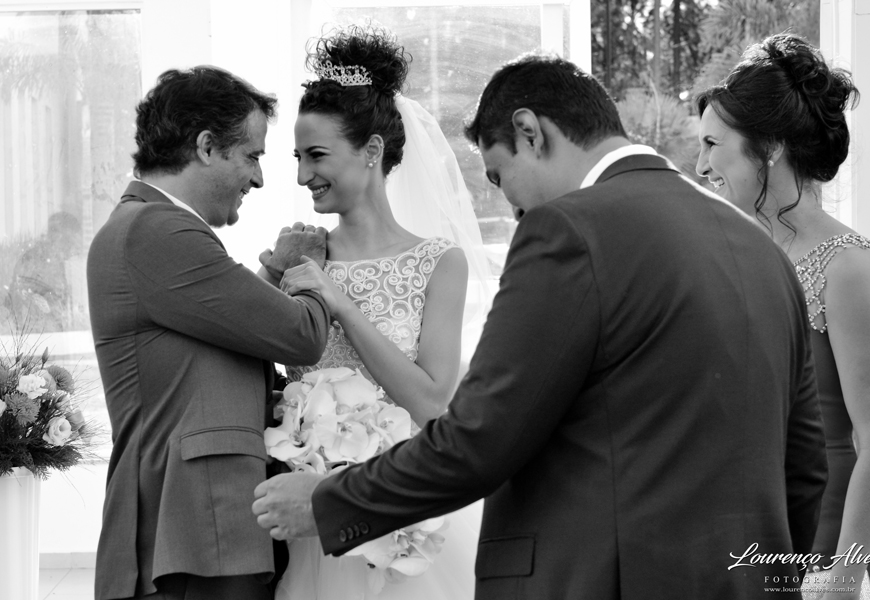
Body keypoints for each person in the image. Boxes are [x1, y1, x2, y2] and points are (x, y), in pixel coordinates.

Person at [253, 53, 829, 599]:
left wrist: (330, 503)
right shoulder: (763, 251)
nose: (511, 208)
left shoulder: (567, 231)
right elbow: (805, 467)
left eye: (500, 177)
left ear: (530, 132)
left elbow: (480, 436)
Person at [87, 66, 332, 600]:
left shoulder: (150, 225)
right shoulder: (156, 229)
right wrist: (307, 269)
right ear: (205, 146)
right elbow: (302, 336)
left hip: (204, 529)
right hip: (192, 529)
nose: (259, 179)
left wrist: (272, 272)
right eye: (252, 156)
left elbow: (213, 331)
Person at [260, 25, 487, 600]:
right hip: (309, 517)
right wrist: (269, 276)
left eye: (317, 156)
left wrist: (339, 303)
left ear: (372, 151)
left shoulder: (439, 263)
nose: (302, 175)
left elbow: (431, 404)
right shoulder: (300, 259)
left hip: (401, 514)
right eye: (297, 157)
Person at [695, 33, 870, 600]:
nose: (701, 165)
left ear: (770, 147)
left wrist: (842, 579)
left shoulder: (850, 268)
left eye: (712, 144)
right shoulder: (738, 254)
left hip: (830, 543)